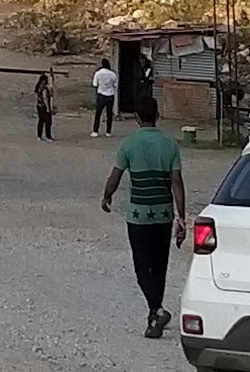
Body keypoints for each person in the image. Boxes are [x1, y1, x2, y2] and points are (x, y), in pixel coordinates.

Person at [101, 96, 187, 339]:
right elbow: (177, 183)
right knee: (159, 266)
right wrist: (182, 217)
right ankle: (155, 316)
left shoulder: (128, 144)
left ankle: (156, 311)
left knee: (142, 267)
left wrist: (107, 196)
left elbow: (115, 176)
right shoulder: (169, 144)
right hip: (163, 215)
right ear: (157, 115)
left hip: (139, 216)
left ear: (137, 117)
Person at [91, 57, 118, 136]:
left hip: (101, 95)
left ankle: (95, 131)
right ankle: (108, 131)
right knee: (109, 114)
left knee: (98, 114)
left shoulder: (98, 73)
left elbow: (95, 84)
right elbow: (115, 85)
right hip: (110, 95)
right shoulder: (112, 74)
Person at [34, 72, 55, 140]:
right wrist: (48, 108)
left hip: (39, 106)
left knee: (41, 121)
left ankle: (39, 135)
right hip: (44, 107)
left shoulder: (38, 88)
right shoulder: (44, 89)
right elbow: (45, 99)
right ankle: (48, 136)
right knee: (48, 122)